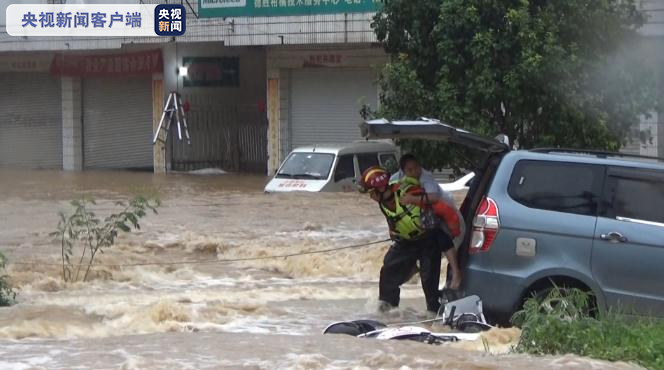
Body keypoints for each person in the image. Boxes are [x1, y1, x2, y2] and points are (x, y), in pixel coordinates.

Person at [359, 166, 443, 314]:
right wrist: (392, 230)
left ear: (381, 188)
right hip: (405, 242)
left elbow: (434, 203)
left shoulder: (408, 190)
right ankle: (388, 312)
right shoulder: (382, 203)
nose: (371, 197)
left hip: (428, 240)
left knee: (429, 280)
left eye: (371, 192)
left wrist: (415, 200)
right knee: (387, 272)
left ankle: (435, 314)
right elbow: (390, 219)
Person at [390, 154, 464, 290]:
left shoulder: (426, 177)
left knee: (442, 239)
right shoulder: (396, 180)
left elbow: (434, 197)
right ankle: (413, 269)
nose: (415, 172)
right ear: (403, 171)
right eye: (410, 170)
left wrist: (412, 199)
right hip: (421, 216)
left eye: (416, 167)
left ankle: (456, 273)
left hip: (443, 214)